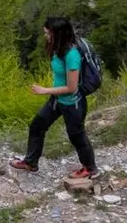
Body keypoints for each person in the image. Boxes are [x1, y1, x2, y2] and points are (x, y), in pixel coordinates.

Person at [11, 15, 98, 179]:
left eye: (47, 33)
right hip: (57, 100)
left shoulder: (71, 55)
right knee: (37, 126)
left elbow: (72, 88)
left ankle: (90, 168)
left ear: (58, 34)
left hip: (73, 104)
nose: (45, 36)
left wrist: (45, 90)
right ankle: (31, 162)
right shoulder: (59, 49)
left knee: (76, 135)